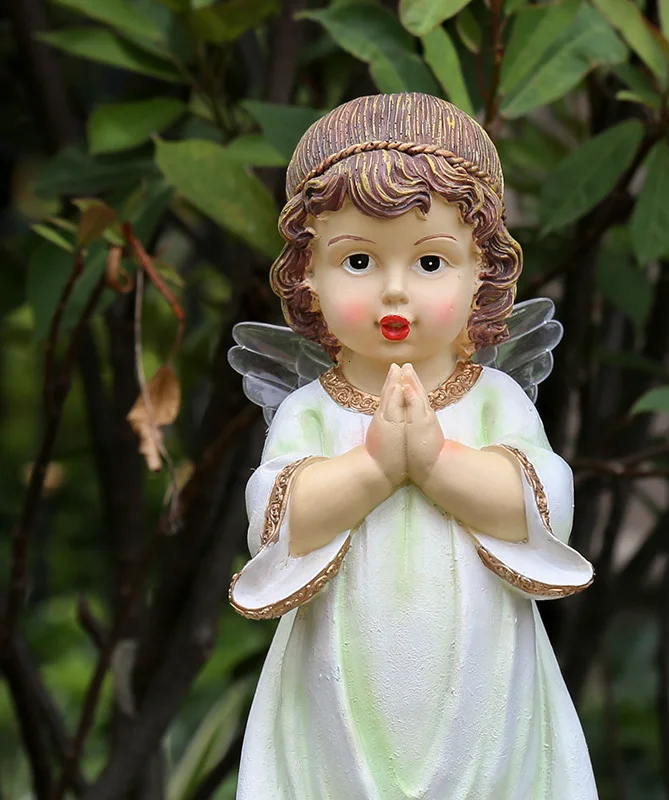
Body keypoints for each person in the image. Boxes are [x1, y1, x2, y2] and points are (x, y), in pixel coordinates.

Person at [229, 92, 597, 799]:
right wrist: (374, 466)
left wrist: (434, 461)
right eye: (358, 260)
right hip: (339, 675)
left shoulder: (493, 401)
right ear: (307, 274)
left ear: (481, 271)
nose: (395, 292)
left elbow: (543, 507)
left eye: (430, 263)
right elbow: (278, 522)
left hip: (482, 674)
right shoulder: (311, 411)